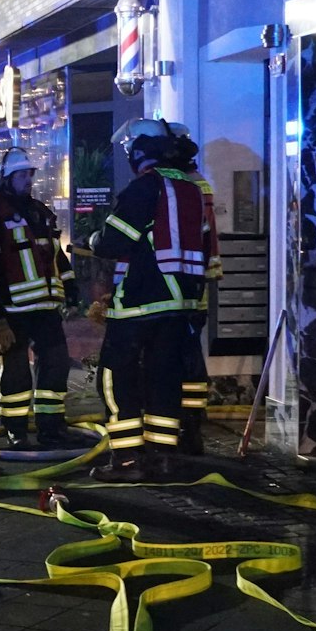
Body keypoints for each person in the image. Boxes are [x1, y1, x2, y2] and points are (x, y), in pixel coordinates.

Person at [87, 120, 215, 482]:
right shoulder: (191, 189)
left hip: (141, 304)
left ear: (138, 151)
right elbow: (203, 247)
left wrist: (95, 239)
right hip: (180, 306)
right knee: (164, 381)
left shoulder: (144, 189)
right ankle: (163, 458)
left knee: (116, 379)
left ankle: (127, 462)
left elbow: (112, 242)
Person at [0, 147, 89, 451]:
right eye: (22, 174)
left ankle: (51, 428)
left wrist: (71, 291)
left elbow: (55, 256)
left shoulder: (40, 212)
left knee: (56, 365)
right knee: (15, 372)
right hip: (13, 309)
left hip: (46, 307)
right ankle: (15, 430)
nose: (28, 179)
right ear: (7, 178)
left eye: (30, 174)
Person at [163, 123, 222, 456]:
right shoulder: (197, 184)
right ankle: (192, 422)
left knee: (180, 357)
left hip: (182, 285)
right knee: (191, 356)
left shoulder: (183, 187)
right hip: (194, 283)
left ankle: (185, 425)